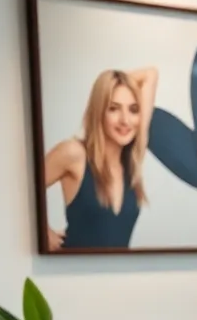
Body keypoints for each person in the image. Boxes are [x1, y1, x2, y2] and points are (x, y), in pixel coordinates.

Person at [42, 67, 158, 251]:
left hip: (117, 278)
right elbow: (21, 191)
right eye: (113, 108)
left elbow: (151, 74)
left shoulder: (131, 161)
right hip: (69, 276)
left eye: (133, 110)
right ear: (99, 110)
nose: (125, 121)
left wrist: (119, 81)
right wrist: (44, 231)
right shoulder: (74, 154)